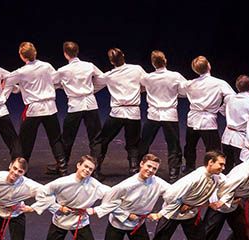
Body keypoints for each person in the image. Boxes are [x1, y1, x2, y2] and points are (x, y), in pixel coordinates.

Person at [3, 42, 66, 173]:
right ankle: (63, 167)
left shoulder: (20, 72)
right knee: (55, 139)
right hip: (50, 107)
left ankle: (21, 169)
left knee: (25, 141)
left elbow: (8, 83)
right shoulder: (46, 66)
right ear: (35, 52)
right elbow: (56, 81)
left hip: (33, 109)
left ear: (21, 56)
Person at [90, 48, 147, 178]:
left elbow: (93, 87)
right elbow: (146, 84)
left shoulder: (109, 75)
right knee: (133, 143)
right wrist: (138, 91)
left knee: (102, 140)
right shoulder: (136, 69)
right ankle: (133, 169)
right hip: (133, 112)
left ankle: (96, 168)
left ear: (111, 61)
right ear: (123, 56)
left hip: (117, 112)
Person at [50, 41, 103, 176]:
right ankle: (95, 170)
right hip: (90, 103)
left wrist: (64, 86)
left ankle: (62, 166)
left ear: (65, 54)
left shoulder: (63, 70)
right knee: (95, 138)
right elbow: (102, 79)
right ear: (77, 51)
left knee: (68, 138)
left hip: (75, 105)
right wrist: (92, 90)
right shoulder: (89, 65)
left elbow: (51, 82)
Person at [137, 51, 186, 182]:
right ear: (165, 61)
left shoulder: (147, 78)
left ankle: (138, 167)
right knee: (173, 145)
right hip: (169, 114)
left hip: (153, 114)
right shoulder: (175, 76)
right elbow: (184, 91)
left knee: (144, 142)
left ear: (153, 63)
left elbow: (140, 87)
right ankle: (173, 173)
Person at [180, 57, 233, 172]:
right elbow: (231, 97)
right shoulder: (219, 83)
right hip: (208, 121)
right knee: (213, 149)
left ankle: (189, 167)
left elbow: (180, 89)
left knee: (190, 146)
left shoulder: (190, 84)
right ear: (209, 66)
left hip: (194, 119)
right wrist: (222, 109)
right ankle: (215, 169)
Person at [220, 75, 249, 173]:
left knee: (226, 166)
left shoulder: (230, 99)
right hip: (240, 139)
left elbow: (223, 111)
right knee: (240, 167)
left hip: (227, 136)